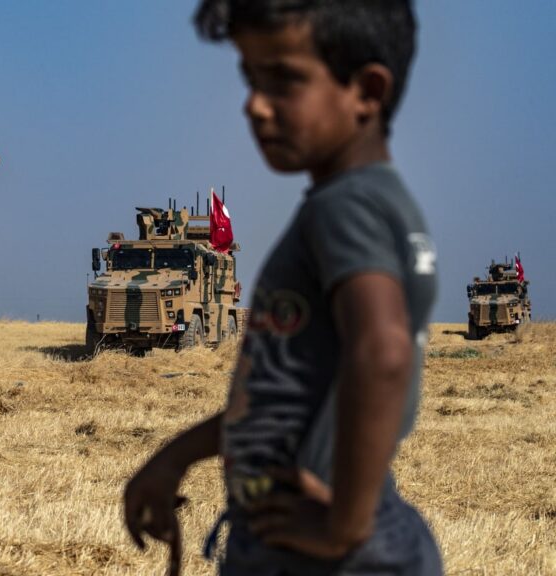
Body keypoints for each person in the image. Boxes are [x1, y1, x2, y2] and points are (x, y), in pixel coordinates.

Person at [122, 1, 442, 574]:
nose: (254, 104)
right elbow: (283, 403)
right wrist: (173, 458)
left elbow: (384, 351)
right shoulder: (371, 204)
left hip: (315, 551)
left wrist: (345, 523)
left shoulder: (345, 209)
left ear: (366, 91)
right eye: (250, 77)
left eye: (284, 80)